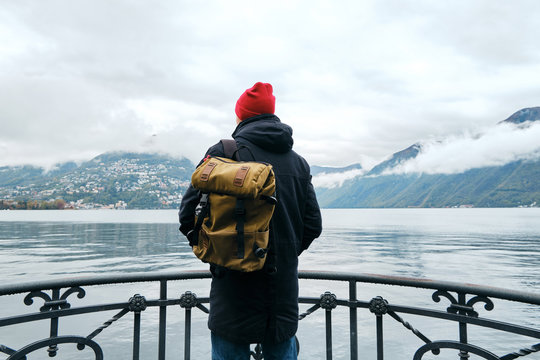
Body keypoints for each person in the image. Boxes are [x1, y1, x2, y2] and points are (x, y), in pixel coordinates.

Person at [179, 82, 322, 360]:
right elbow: (313, 225)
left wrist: (217, 252)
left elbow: (188, 215)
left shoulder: (225, 152)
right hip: (282, 289)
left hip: (233, 285)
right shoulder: (299, 163)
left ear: (240, 116)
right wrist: (282, 252)